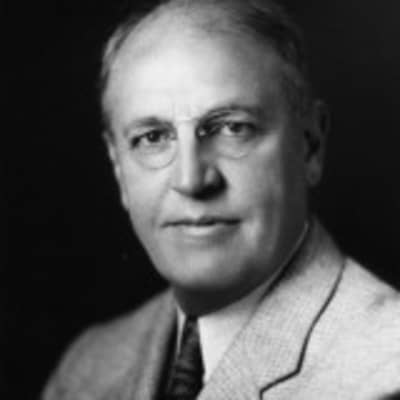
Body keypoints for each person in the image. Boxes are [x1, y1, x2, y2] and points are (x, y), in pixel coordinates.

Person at [43, 0, 400, 399]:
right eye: (152, 138)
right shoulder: (87, 366)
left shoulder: (386, 372)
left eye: (233, 128)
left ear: (310, 147)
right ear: (118, 169)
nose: (191, 180)